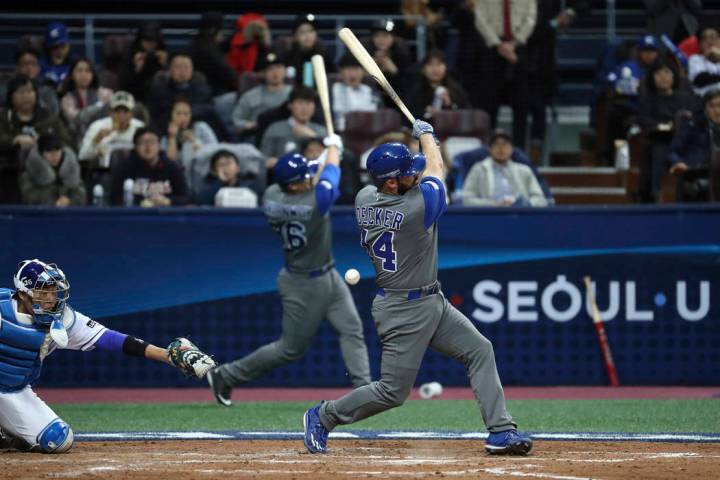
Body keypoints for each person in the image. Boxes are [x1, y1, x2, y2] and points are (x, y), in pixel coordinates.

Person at [301, 119, 532, 455]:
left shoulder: (366, 196)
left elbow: (424, 172)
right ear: (392, 183)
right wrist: (427, 136)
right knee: (392, 392)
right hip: (402, 309)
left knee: (480, 349)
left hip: (430, 300)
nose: (416, 174)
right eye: (409, 173)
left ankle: (501, 431)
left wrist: (418, 149)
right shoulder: (415, 209)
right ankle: (322, 416)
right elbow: (437, 169)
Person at [207, 134, 371, 406]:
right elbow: (329, 175)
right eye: (303, 179)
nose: (309, 179)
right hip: (303, 284)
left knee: (351, 328)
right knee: (290, 349)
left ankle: (364, 390)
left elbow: (315, 175)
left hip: (328, 274)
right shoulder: (313, 203)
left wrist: (327, 153)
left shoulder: (272, 194)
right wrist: (333, 151)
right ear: (293, 186)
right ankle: (226, 375)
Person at [0, 259, 214, 453]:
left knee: (59, 440)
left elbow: (111, 340)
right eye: (42, 293)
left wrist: (168, 356)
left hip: (13, 390)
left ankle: (9, 432)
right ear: (22, 294)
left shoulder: (64, 319)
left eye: (53, 292)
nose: (50, 299)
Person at [636, 60, 695, 202]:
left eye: (667, 72)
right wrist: (663, 125)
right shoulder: (647, 100)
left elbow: (694, 118)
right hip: (660, 140)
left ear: (674, 77)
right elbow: (643, 119)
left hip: (685, 141)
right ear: (652, 77)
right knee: (659, 151)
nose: (663, 77)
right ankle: (656, 194)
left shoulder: (685, 98)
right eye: (658, 73)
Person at [462, 129, 548, 206]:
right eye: (496, 144)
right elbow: (467, 200)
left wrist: (524, 204)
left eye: (505, 144)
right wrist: (493, 205)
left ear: (512, 149)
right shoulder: (478, 169)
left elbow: (540, 200)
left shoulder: (524, 170)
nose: (501, 148)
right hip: (489, 217)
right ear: (489, 149)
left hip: (519, 217)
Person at [109, 127, 189, 206]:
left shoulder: (172, 167)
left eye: (152, 141)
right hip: (133, 215)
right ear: (135, 146)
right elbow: (114, 199)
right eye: (143, 142)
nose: (148, 147)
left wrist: (168, 201)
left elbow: (186, 198)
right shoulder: (124, 167)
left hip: (165, 215)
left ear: (159, 145)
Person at [667, 90, 720, 201]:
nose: (717, 111)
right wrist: (678, 162)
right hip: (699, 177)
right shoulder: (693, 127)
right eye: (712, 106)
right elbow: (673, 151)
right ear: (705, 109)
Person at [146, 54, 214, 132]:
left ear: (192, 70)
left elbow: (208, 107)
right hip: (166, 124)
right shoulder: (160, 85)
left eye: (186, 67)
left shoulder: (199, 83)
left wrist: (187, 114)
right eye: (178, 67)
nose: (182, 71)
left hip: (195, 123)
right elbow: (156, 109)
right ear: (170, 70)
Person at [260, 86, 326, 166]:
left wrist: (312, 136)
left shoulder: (322, 132)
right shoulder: (275, 129)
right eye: (300, 103)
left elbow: (330, 159)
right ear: (290, 105)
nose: (304, 108)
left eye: (308, 103)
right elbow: (263, 161)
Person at [232, 51, 292, 138]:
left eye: (278, 68)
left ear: (285, 71)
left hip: (289, 136)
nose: (275, 73)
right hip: (258, 135)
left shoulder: (294, 94)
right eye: (270, 69)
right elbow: (237, 121)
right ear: (263, 74)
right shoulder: (250, 96)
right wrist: (252, 125)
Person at [160, 96, 218, 185]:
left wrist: (194, 140)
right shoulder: (165, 137)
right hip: (177, 179)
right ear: (171, 115)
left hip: (203, 173)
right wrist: (172, 138)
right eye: (178, 113)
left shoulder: (201, 127)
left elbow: (215, 150)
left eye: (186, 114)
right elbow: (169, 164)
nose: (183, 117)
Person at [78, 90, 144, 165]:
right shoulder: (98, 126)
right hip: (105, 171)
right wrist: (96, 140)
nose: (121, 116)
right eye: (117, 111)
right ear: (110, 112)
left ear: (132, 113)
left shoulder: (140, 128)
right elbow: (82, 156)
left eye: (125, 111)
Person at [60, 57, 114, 147]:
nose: (84, 74)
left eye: (88, 71)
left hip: (105, 136)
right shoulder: (67, 99)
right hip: (80, 139)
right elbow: (78, 119)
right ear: (72, 75)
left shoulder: (106, 94)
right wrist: (99, 106)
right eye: (79, 71)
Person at [19, 133, 85, 207]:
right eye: (48, 151)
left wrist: (69, 200)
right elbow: (29, 198)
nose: (54, 155)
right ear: (41, 153)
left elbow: (81, 194)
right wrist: (54, 201)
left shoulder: (71, 170)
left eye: (57, 150)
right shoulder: (30, 173)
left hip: (69, 215)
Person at [405, 50, 470, 120]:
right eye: (430, 64)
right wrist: (424, 111)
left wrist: (449, 105)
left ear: (446, 68)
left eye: (439, 64)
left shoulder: (455, 90)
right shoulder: (415, 90)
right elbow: (406, 113)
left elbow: (466, 114)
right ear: (423, 69)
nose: (435, 69)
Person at [191, 11, 239, 96]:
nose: (223, 34)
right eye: (221, 30)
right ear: (213, 30)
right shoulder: (207, 50)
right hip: (214, 94)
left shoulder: (201, 44)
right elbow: (229, 74)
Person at [0, 49, 60, 115]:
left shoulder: (47, 91)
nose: (29, 68)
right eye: (25, 64)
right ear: (17, 68)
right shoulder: (6, 89)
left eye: (33, 64)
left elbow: (54, 114)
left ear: (39, 68)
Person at [194, 149, 264, 205]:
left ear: (237, 168)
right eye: (221, 165)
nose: (226, 168)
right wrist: (220, 182)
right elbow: (200, 201)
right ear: (214, 171)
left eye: (228, 163)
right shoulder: (208, 185)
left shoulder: (250, 185)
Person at [121, 21, 168, 102]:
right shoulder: (131, 55)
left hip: (159, 98)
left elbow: (172, 84)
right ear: (140, 41)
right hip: (136, 97)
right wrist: (136, 69)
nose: (150, 45)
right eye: (146, 41)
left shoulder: (163, 55)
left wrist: (165, 65)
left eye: (153, 41)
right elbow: (124, 86)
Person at [331, 53, 380, 132]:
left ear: (363, 72)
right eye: (349, 69)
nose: (353, 74)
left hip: (369, 133)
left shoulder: (370, 91)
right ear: (341, 72)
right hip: (340, 133)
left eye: (356, 69)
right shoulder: (332, 90)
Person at [362, 19, 413, 94]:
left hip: (395, 98)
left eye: (385, 36)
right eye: (377, 35)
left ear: (393, 38)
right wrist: (371, 67)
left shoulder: (401, 53)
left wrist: (395, 71)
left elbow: (408, 83)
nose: (381, 40)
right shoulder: (365, 51)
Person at [283, 14, 333, 86]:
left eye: (311, 31)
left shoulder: (324, 56)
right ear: (295, 36)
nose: (307, 35)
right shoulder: (289, 58)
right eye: (302, 32)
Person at [40, 22, 75, 90]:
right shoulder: (40, 64)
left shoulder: (76, 63)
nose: (60, 50)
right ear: (48, 47)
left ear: (68, 44)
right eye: (55, 47)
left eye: (62, 45)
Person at [688, 26, 720, 97]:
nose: (710, 42)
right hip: (705, 100)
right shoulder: (695, 59)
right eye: (705, 39)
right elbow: (700, 79)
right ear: (700, 45)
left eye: (713, 37)